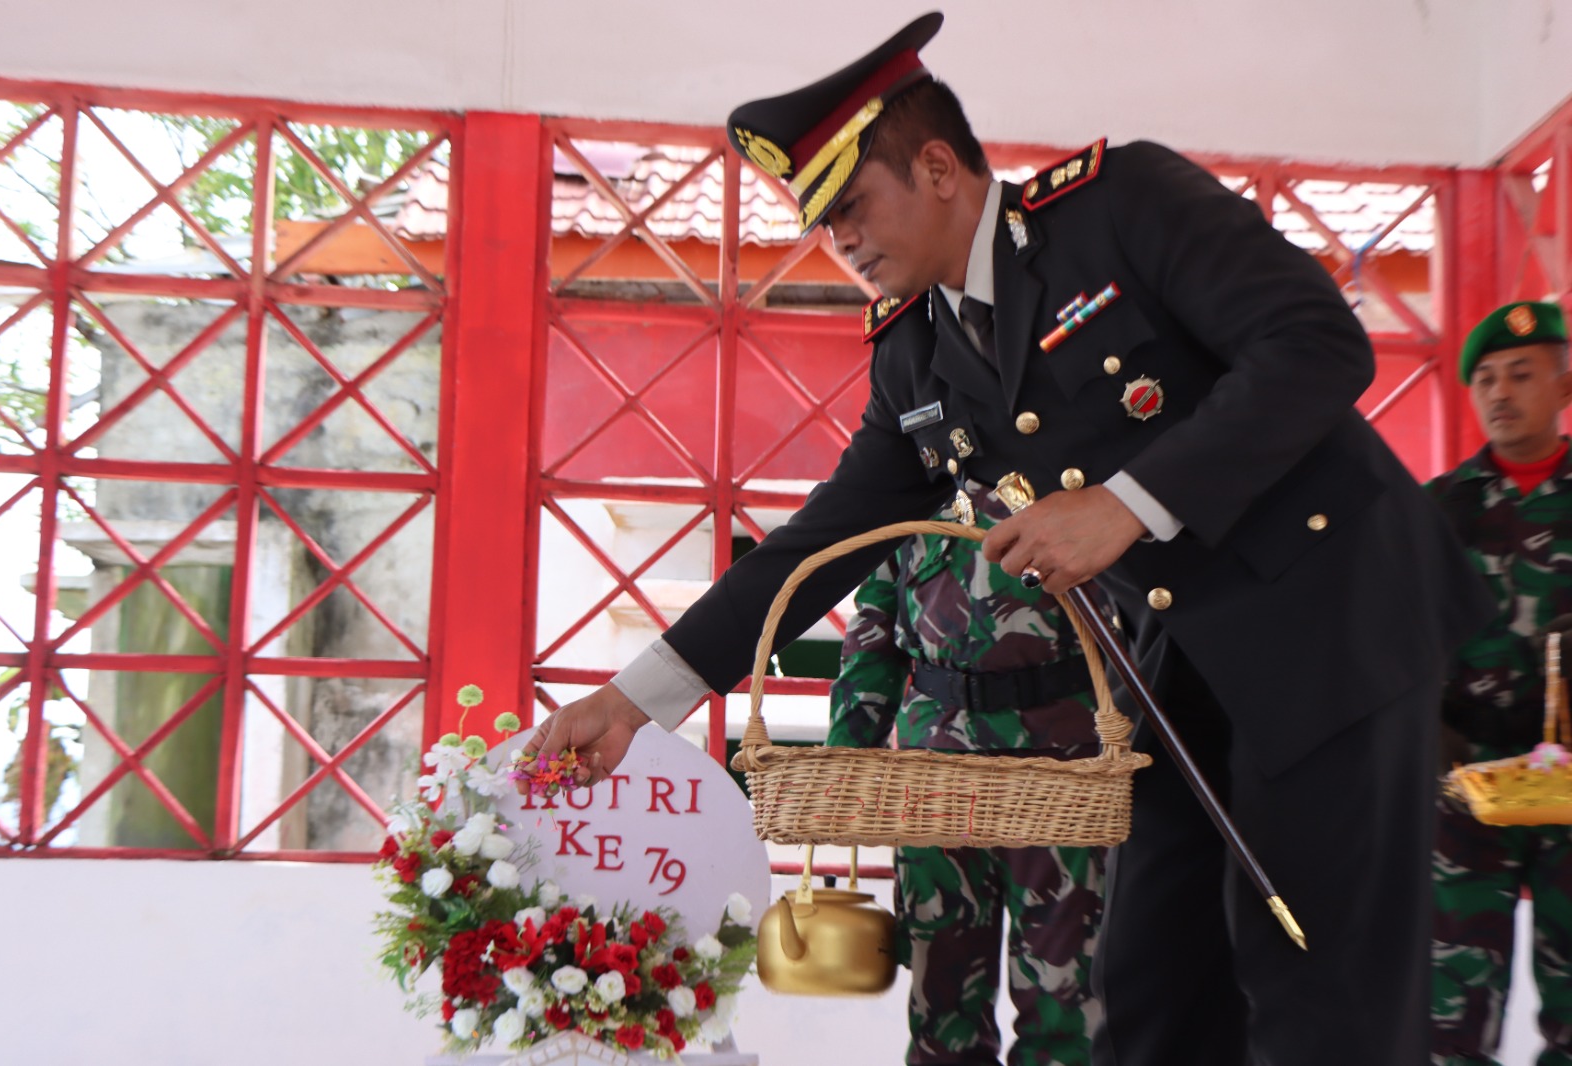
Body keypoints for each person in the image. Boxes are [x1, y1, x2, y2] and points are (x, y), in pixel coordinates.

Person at [523, 12, 1493, 1064]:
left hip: (1332, 614)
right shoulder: (915, 353)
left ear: (937, 166)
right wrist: (636, 699)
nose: (839, 244)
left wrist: (1125, 502)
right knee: (1153, 983)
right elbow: (827, 538)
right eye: (822, 226)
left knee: (1319, 985)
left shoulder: (1119, 205)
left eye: (852, 206)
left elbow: (1316, 343)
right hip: (1186, 656)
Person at [829, 484, 1103, 1066]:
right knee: (941, 1012)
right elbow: (874, 632)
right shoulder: (914, 487)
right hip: (937, 772)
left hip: (1062, 768)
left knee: (1066, 1005)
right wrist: (846, 761)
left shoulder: (1075, 477)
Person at [1428, 300, 1572, 1066]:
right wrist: (1429, 736)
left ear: (1563, 384)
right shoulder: (1441, 508)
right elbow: (1392, 640)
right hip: (1466, 778)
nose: (1501, 392)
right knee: (1453, 996)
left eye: (1521, 373)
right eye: (1484, 379)